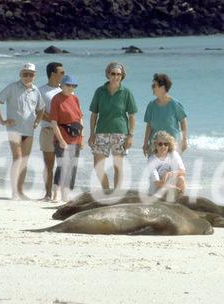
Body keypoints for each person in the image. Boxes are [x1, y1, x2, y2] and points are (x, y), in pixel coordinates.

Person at [0, 63, 45, 200]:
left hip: (29, 131)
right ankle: (14, 192)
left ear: (34, 75)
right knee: (18, 158)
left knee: (24, 161)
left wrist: (38, 121)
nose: (28, 77)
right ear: (20, 74)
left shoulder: (36, 90)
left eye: (31, 74)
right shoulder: (12, 87)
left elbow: (42, 108)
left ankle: (20, 191)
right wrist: (2, 121)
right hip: (14, 130)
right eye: (25, 74)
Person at [88, 62, 137, 190]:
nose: (116, 76)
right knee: (98, 166)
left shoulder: (126, 93)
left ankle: (116, 196)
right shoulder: (100, 91)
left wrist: (130, 136)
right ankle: (106, 190)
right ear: (108, 74)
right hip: (101, 132)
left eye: (118, 74)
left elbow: (132, 116)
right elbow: (94, 114)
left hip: (120, 133)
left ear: (122, 76)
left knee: (118, 167)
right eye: (113, 74)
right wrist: (91, 133)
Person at [49, 75, 83, 202]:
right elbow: (53, 122)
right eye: (68, 85)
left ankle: (66, 194)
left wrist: (82, 137)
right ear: (61, 85)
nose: (71, 88)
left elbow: (80, 119)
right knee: (62, 166)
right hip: (62, 137)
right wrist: (61, 140)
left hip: (76, 137)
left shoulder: (75, 98)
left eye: (73, 85)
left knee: (72, 167)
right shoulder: (56, 99)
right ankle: (55, 193)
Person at [142, 73, 188, 157]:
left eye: (154, 85)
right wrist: (145, 143)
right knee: (154, 169)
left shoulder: (175, 104)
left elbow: (183, 121)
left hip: (172, 144)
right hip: (155, 144)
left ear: (162, 88)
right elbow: (148, 126)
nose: (152, 88)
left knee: (173, 169)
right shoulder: (151, 105)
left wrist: (184, 140)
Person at [38, 62, 65, 201]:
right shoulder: (41, 90)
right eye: (62, 72)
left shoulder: (65, 89)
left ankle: (58, 194)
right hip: (48, 131)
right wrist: (55, 122)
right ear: (53, 74)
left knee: (62, 164)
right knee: (49, 165)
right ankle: (47, 194)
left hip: (63, 132)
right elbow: (39, 112)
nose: (64, 75)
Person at [147, 131, 186, 196]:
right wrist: (175, 189)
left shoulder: (173, 154)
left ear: (169, 145)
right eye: (160, 144)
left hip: (170, 187)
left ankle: (180, 200)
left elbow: (183, 172)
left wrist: (169, 174)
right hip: (156, 190)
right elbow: (157, 183)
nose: (163, 146)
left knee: (181, 178)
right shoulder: (151, 160)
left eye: (166, 144)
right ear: (155, 145)